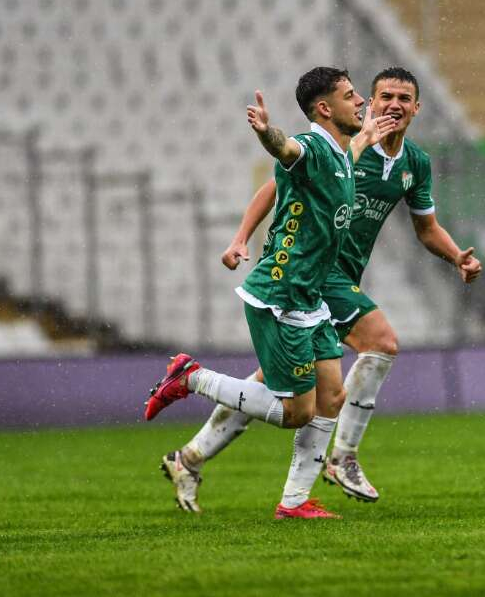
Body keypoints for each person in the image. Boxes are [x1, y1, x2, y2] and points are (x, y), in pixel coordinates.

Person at [161, 67, 482, 512]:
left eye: (404, 99)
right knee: (381, 342)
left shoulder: (414, 163)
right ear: (369, 102)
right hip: (318, 276)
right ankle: (343, 456)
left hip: (340, 277)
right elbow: (276, 183)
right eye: (384, 97)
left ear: (416, 108)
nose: (393, 105)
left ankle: (191, 458)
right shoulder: (340, 147)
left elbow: (426, 228)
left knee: (283, 386)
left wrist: (456, 257)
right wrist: (240, 237)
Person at [144, 67, 395, 519]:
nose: (361, 100)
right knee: (296, 412)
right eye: (350, 95)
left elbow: (346, 155)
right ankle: (191, 377)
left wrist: (365, 138)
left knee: (331, 399)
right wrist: (266, 133)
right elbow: (287, 149)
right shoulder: (311, 146)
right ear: (324, 108)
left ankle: (294, 503)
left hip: (310, 296)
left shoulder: (341, 153)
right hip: (281, 295)